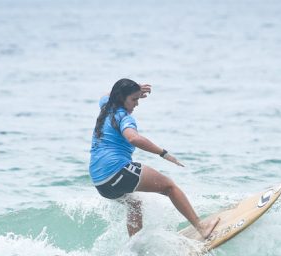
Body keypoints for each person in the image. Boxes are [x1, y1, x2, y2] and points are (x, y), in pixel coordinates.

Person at [89, 78, 219, 238]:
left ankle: (135, 254)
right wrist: (163, 153)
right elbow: (133, 138)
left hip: (100, 182)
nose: (137, 104)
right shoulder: (124, 117)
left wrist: (136, 89)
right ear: (122, 98)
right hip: (116, 171)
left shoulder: (106, 106)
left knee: (134, 204)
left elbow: (106, 94)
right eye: (134, 99)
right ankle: (202, 227)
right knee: (170, 187)